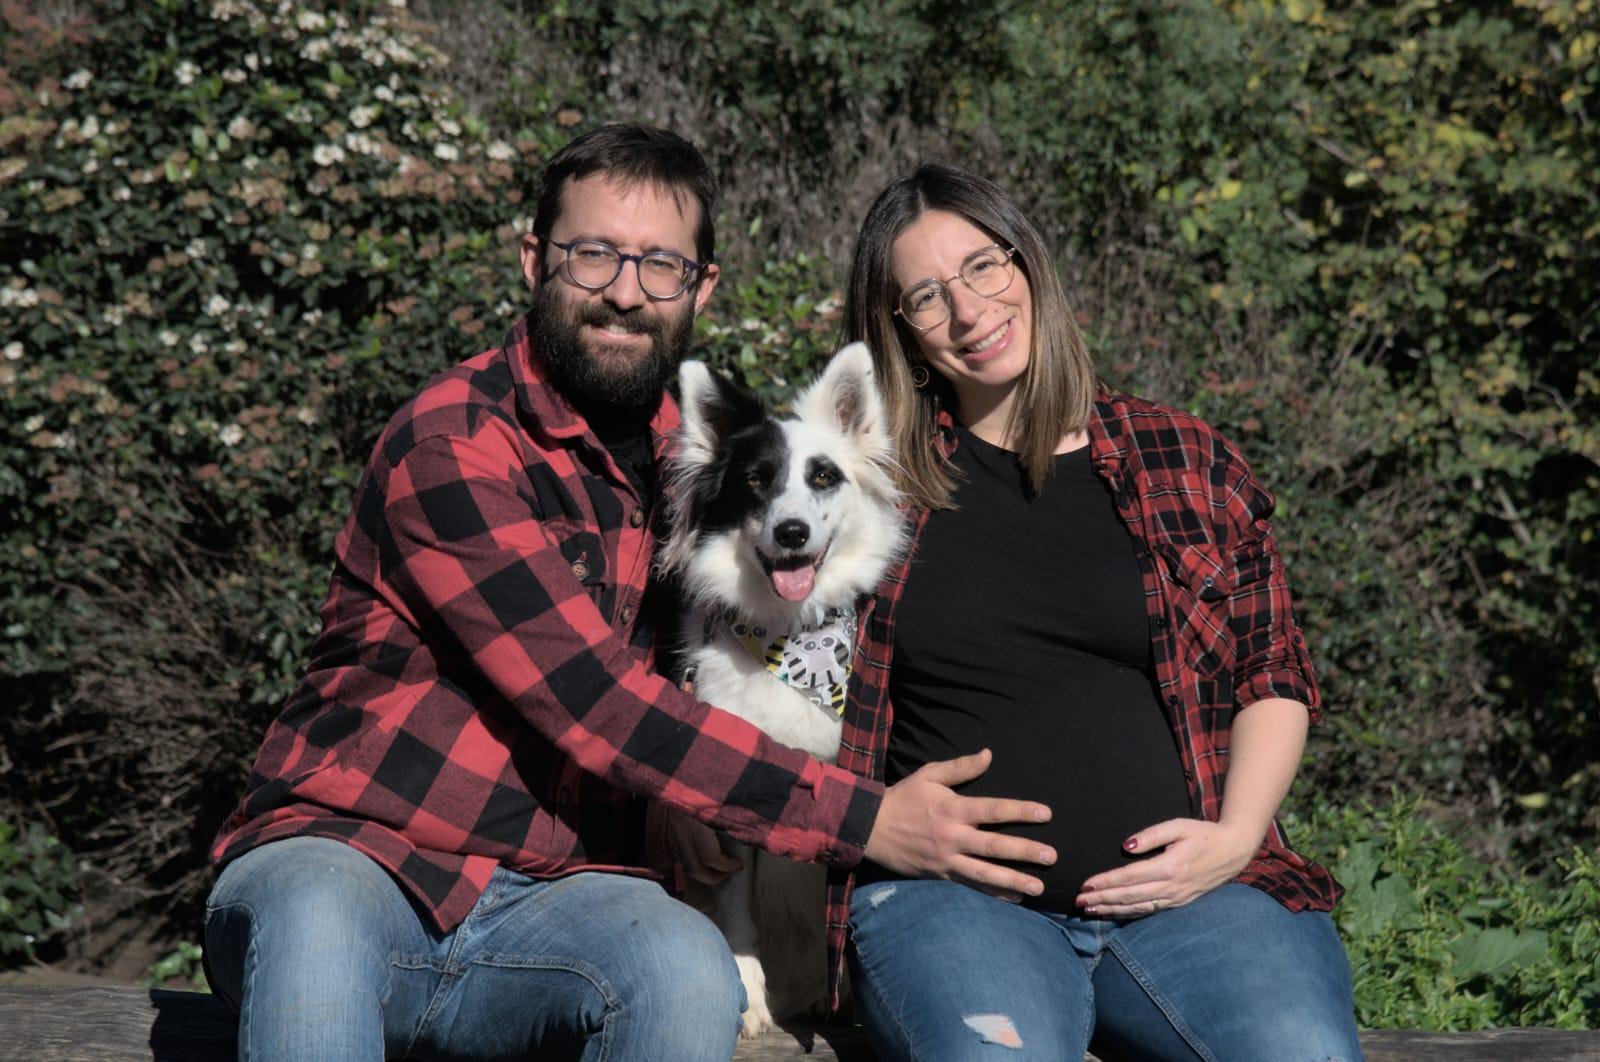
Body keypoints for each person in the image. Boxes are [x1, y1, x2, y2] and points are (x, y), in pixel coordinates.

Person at [204, 125, 1055, 1062]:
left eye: (660, 265)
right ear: (534, 260)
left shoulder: (706, 466)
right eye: (594, 254)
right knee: (318, 922)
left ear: (701, 287)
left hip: (559, 901)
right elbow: (592, 700)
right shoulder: (455, 442)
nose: (625, 290)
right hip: (358, 854)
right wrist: (866, 818)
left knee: (683, 972)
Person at [832, 162, 1363, 1061]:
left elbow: (1270, 670)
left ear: (1027, 263)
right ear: (900, 331)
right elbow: (779, 678)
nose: (967, 310)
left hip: (1196, 902)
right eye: (926, 297)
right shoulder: (864, 488)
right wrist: (870, 815)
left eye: (983, 266)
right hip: (958, 909)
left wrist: (1235, 839)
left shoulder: (1184, 457)